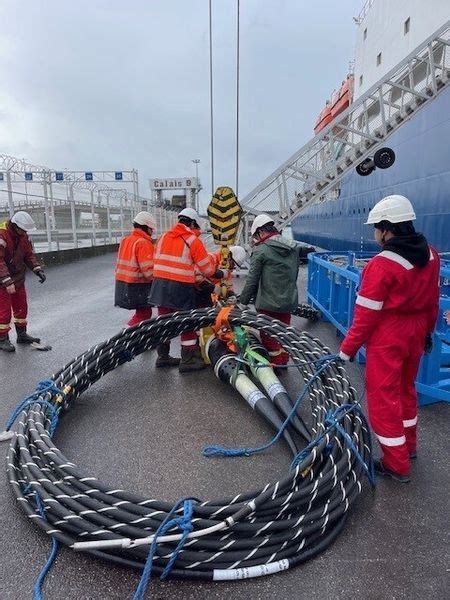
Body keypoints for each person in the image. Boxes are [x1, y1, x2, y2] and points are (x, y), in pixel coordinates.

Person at [339, 195, 440, 483]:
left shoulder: (381, 265)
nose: (374, 234)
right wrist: (428, 332)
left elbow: (365, 316)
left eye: (376, 228)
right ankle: (409, 447)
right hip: (416, 332)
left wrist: (346, 350)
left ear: (386, 229)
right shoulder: (431, 255)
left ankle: (396, 463)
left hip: (389, 336)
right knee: (406, 390)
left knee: (383, 398)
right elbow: (432, 300)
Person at [150, 207, 217, 372]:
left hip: (159, 286)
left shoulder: (163, 237)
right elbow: (207, 269)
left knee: (164, 322)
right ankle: (189, 360)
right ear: (193, 223)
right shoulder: (192, 240)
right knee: (186, 322)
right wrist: (218, 272)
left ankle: (162, 357)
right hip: (180, 288)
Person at [238, 214, 305, 367]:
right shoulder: (293, 248)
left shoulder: (261, 250)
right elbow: (294, 274)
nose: (256, 239)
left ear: (261, 232)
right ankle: (284, 362)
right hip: (288, 300)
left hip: (267, 303)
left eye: (256, 236)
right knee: (283, 333)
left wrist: (242, 303)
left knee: (268, 335)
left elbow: (252, 280)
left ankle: (275, 366)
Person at [114, 211, 179, 368]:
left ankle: (143, 340)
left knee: (143, 313)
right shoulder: (143, 243)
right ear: (146, 227)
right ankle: (119, 341)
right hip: (137, 284)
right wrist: (163, 279)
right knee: (143, 314)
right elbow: (148, 271)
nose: (152, 232)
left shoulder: (126, 240)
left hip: (123, 283)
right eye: (151, 229)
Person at [0, 211, 46, 352]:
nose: (24, 233)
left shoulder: (23, 236)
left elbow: (28, 255)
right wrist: (7, 281)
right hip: (2, 280)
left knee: (21, 307)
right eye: (22, 230)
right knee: (4, 311)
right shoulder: (2, 235)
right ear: (14, 226)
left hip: (18, 277)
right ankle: (2, 339)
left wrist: (37, 269)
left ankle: (22, 335)